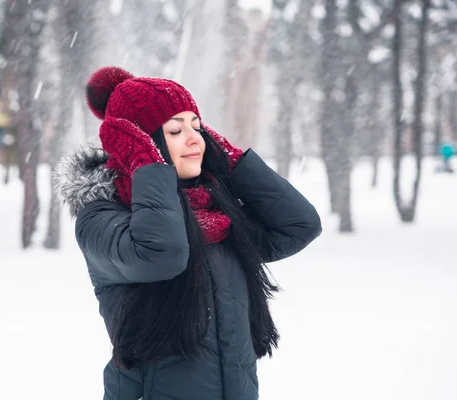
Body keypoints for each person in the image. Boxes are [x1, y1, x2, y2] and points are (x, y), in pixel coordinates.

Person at [54, 66, 322, 400]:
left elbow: (300, 225)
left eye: (198, 127)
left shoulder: (217, 213)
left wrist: (231, 160)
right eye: (175, 130)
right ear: (139, 143)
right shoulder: (102, 215)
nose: (196, 139)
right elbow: (162, 255)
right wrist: (148, 166)